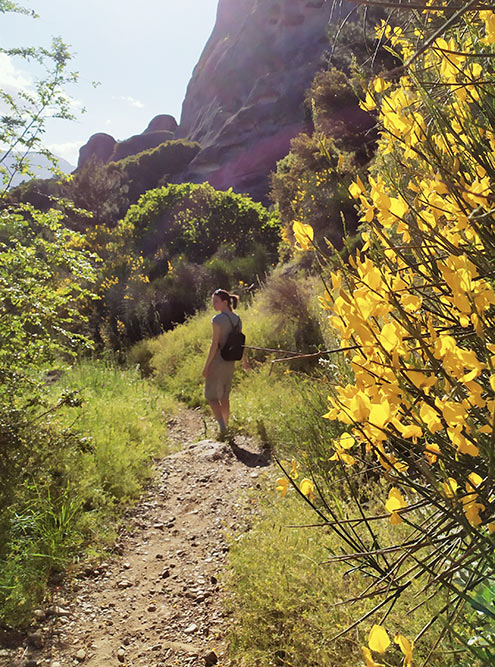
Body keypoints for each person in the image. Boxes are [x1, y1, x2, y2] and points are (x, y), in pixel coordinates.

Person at [202, 288, 248, 438]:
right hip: (230, 362)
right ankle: (226, 426)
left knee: (211, 396)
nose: (213, 304)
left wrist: (206, 366)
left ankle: (222, 427)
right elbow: (241, 342)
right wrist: (245, 361)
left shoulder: (217, 320)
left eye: (216, 301)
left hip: (218, 361)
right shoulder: (237, 319)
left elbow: (214, 345)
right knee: (224, 396)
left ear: (225, 302)